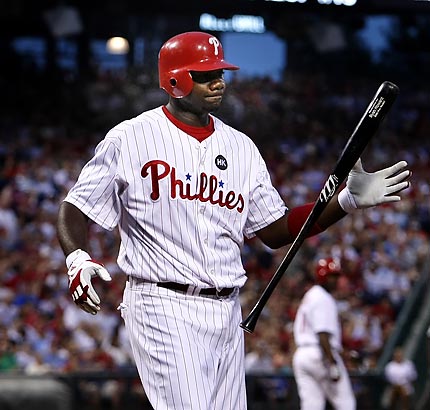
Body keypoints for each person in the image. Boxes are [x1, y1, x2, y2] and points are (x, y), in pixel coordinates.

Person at [56, 31, 411, 410]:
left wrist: (345, 202)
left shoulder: (241, 147)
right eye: (206, 75)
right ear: (175, 80)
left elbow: (275, 230)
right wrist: (77, 257)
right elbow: (76, 208)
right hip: (162, 302)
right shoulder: (130, 138)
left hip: (228, 310)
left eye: (220, 72)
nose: (218, 82)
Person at [292, 257, 356, 410]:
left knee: (312, 406)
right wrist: (333, 363)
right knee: (346, 404)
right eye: (332, 276)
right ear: (323, 275)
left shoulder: (310, 295)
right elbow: (322, 335)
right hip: (320, 355)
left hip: (302, 355)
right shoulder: (323, 298)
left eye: (336, 276)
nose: (336, 280)